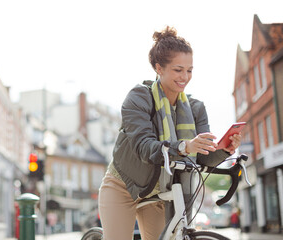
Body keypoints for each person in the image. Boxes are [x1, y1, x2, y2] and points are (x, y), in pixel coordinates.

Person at [98, 26, 242, 240]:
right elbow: (144, 148)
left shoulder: (195, 108)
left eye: (189, 70)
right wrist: (184, 146)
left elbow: (201, 158)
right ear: (159, 68)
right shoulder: (138, 98)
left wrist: (224, 150)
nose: (185, 76)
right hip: (123, 186)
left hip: (159, 190)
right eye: (178, 70)